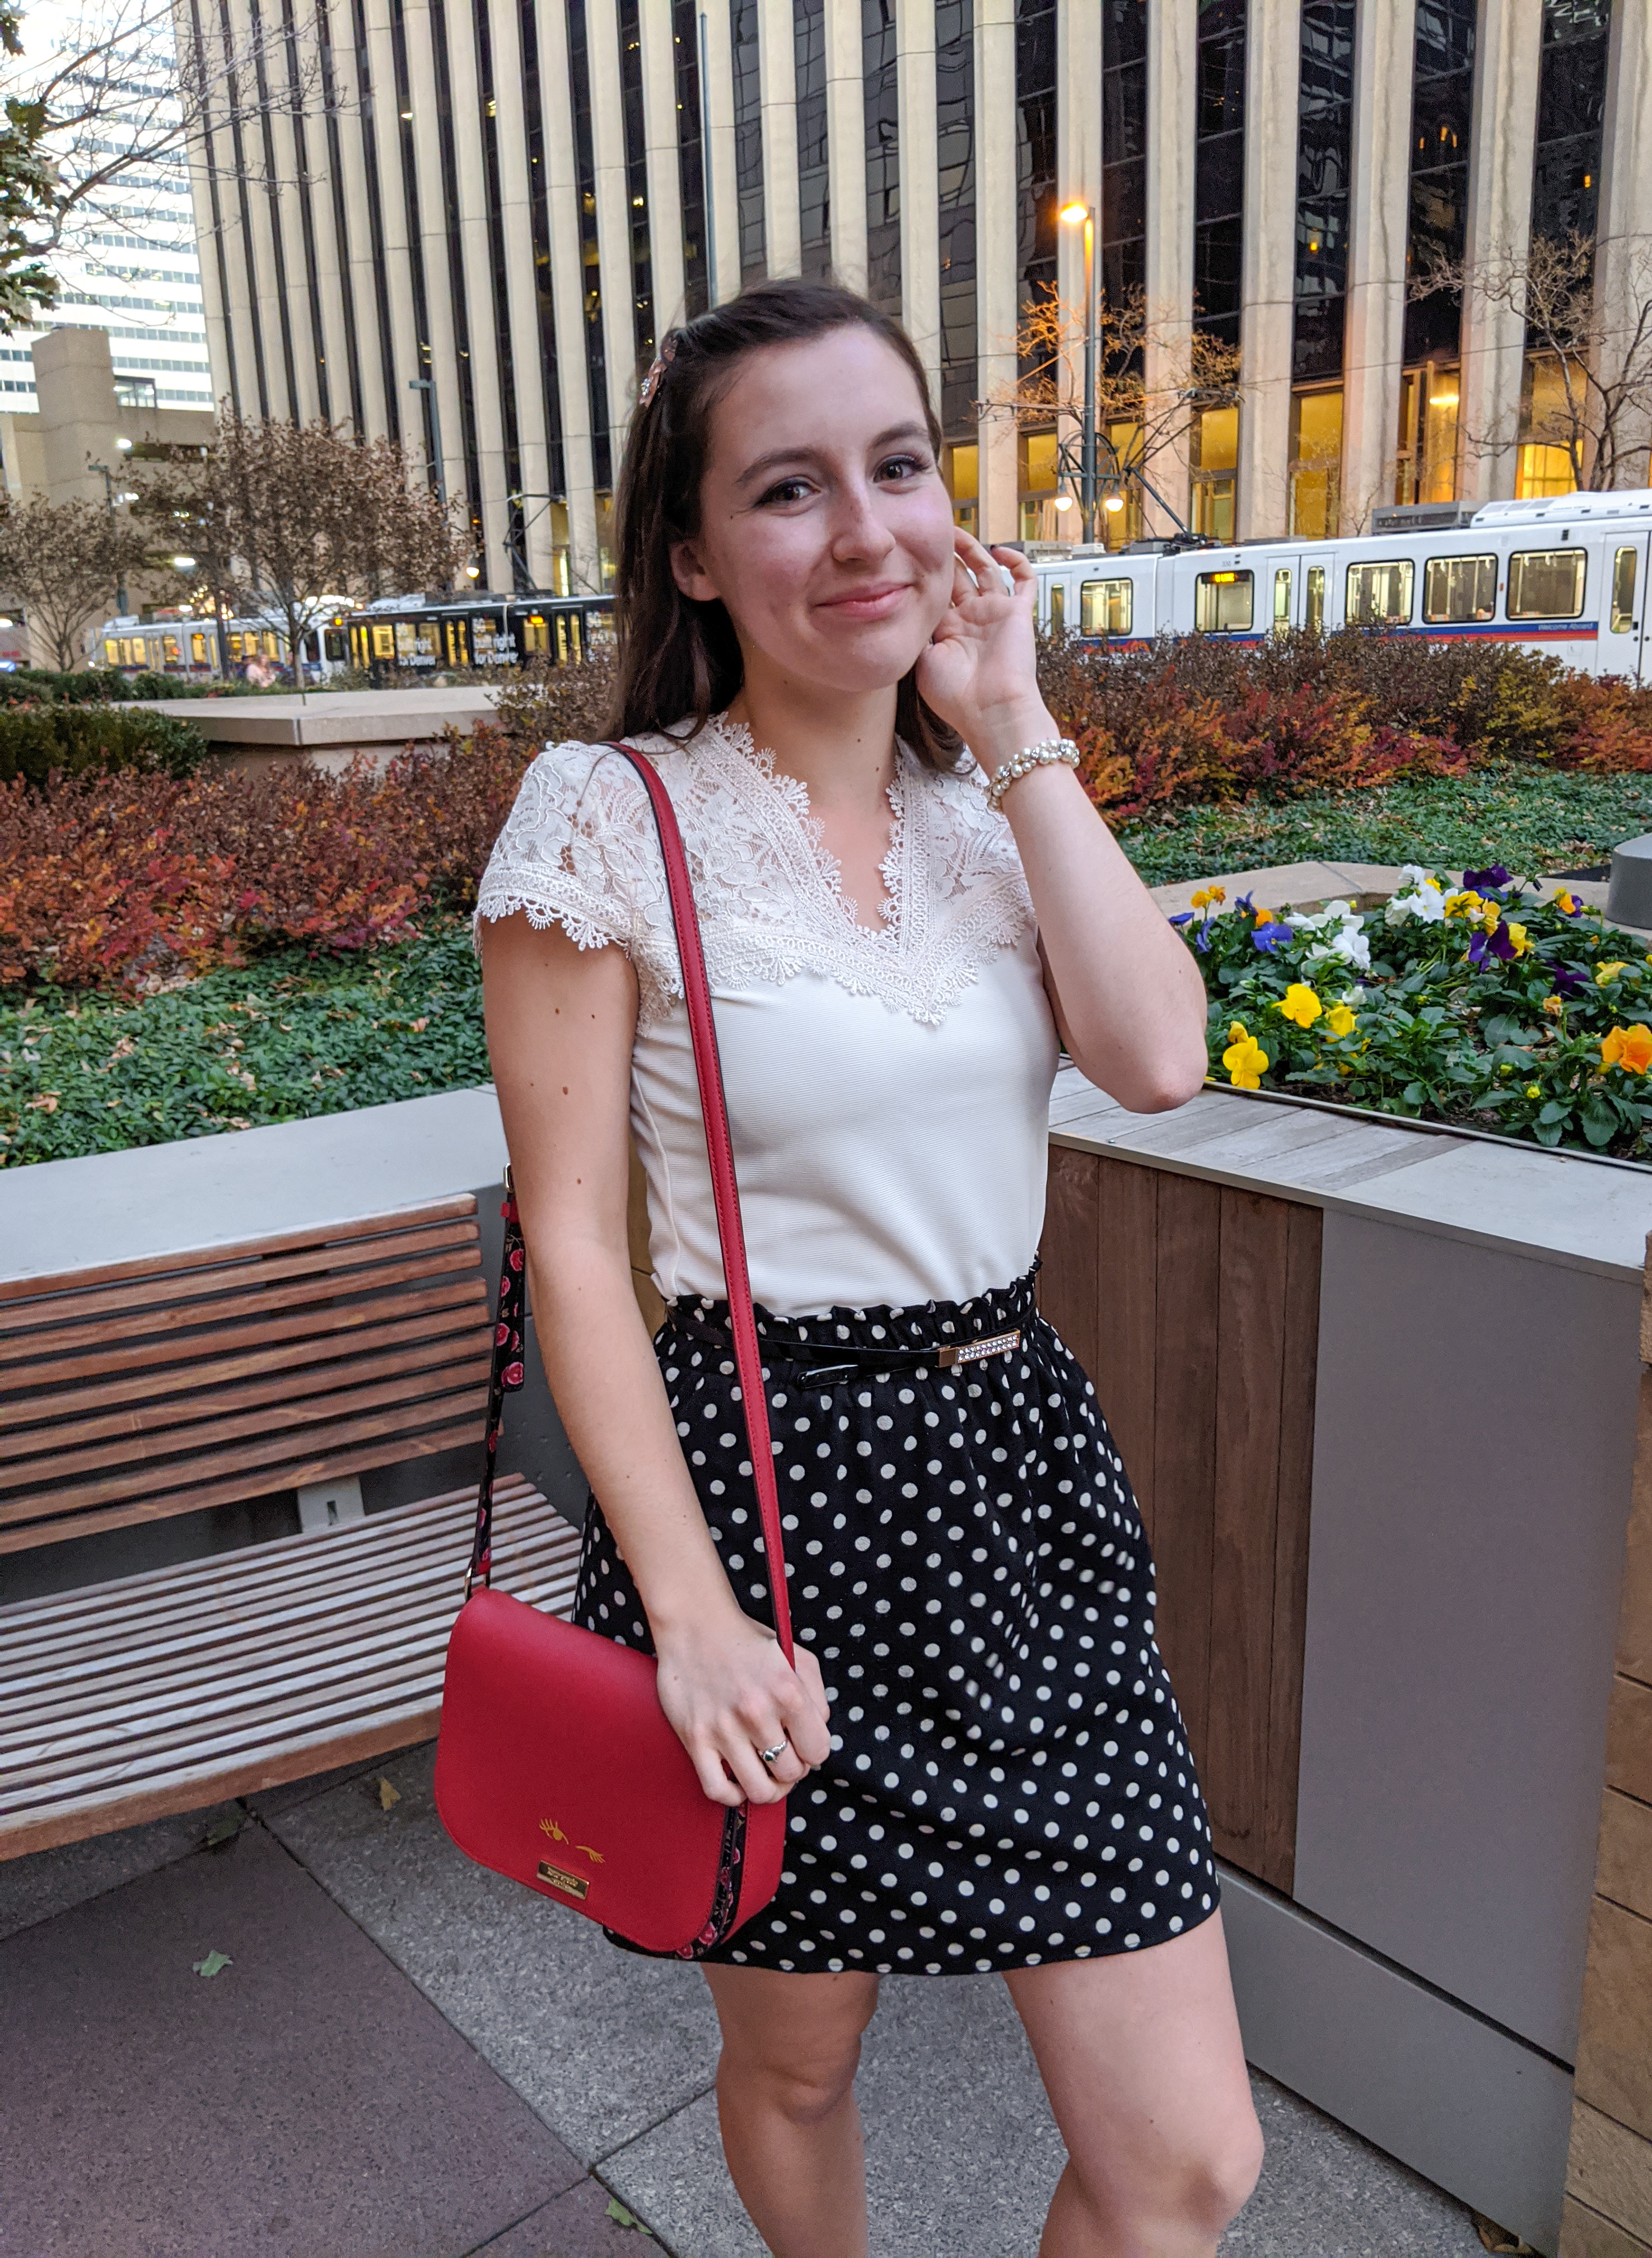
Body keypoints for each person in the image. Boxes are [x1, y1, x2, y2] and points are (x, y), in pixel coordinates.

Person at [477, 279, 1263, 2258]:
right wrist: (691, 1615)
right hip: (771, 1515)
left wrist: (1012, 722)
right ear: (691, 549)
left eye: (900, 466)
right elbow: (571, 1246)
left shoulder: (992, 813)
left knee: (1186, 2163)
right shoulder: (611, 815)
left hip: (1023, 1494)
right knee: (802, 2061)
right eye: (791, 488)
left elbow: (1162, 1063)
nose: (867, 532)